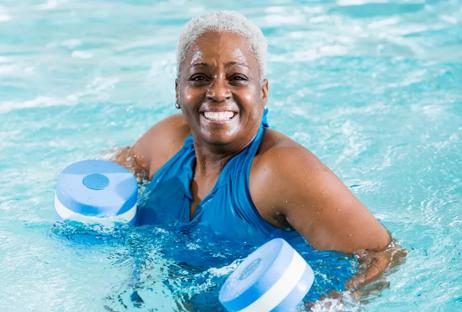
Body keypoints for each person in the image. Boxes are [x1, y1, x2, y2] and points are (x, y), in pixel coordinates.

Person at [115, 11, 404, 291]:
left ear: (262, 92)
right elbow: (117, 167)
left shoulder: (281, 171)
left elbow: (383, 256)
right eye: (199, 78)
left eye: (237, 78)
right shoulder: (165, 141)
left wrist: (321, 310)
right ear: (178, 91)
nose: (217, 92)